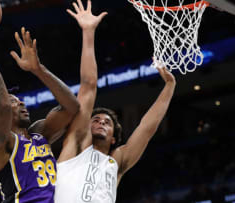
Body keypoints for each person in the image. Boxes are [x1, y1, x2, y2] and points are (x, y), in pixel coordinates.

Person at [0, 3, 80, 203]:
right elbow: (1, 106)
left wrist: (39, 70)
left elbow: (72, 107)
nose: (21, 103)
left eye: (18, 100)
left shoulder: (39, 133)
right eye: (14, 101)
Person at [54, 1, 176, 202]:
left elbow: (146, 129)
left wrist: (169, 87)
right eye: (96, 120)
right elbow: (88, 86)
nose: (101, 122)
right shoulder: (75, 146)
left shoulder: (116, 162)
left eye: (107, 122)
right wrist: (88, 32)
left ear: (113, 139)